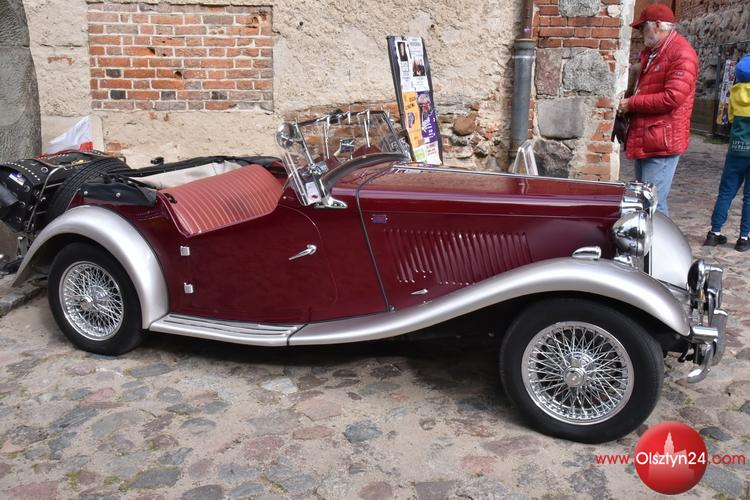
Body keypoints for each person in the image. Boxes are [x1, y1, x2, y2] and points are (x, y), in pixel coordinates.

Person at [618, 4, 698, 215]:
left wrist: (632, 103)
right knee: (643, 201)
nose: (641, 32)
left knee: (653, 204)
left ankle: (658, 238)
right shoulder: (655, 52)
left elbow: (673, 97)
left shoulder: (681, 53)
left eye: (643, 27)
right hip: (649, 137)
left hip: (661, 140)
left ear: (658, 25)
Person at [704, 55, 750, 251]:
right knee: (749, 197)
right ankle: (744, 238)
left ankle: (714, 233)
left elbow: (730, 118)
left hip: (736, 150)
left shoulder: (735, 92)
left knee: (726, 192)